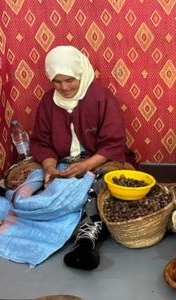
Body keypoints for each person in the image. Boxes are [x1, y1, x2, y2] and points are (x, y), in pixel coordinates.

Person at [31, 45, 136, 270]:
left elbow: (113, 143)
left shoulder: (101, 97)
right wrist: (49, 166)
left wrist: (85, 166)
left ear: (80, 73)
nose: (64, 87)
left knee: (106, 185)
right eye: (57, 82)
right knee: (22, 180)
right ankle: (54, 223)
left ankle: (85, 239)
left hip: (100, 161)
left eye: (70, 80)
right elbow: (40, 142)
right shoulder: (48, 101)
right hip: (62, 163)